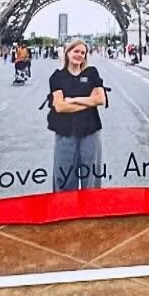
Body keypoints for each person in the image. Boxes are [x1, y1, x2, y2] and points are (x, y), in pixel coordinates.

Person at [48, 38, 107, 192]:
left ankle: (90, 211)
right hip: (65, 132)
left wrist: (73, 100)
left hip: (90, 131)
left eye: (83, 52)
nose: (79, 55)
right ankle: (65, 212)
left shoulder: (92, 73)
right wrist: (88, 102)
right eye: (76, 51)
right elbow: (60, 107)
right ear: (67, 53)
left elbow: (100, 99)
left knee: (91, 178)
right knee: (64, 176)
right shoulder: (57, 76)